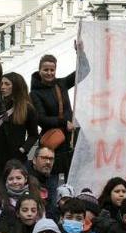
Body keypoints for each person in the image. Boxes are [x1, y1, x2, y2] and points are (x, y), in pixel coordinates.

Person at [30, 44, 86, 178]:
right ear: (39, 71)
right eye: (45, 70)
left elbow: (83, 71)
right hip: (53, 142)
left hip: (71, 138)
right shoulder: (34, 93)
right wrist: (63, 122)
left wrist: (80, 53)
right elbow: (40, 119)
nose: (49, 73)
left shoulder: (61, 84)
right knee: (52, 179)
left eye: (52, 70)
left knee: (74, 176)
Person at [0, 72, 39, 186]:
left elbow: (33, 135)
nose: (3, 87)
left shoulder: (27, 108)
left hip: (15, 157)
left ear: (16, 86)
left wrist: (23, 149)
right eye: (2, 84)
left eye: (7, 84)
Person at [27, 147, 59, 216]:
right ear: (34, 160)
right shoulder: (23, 177)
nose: (48, 162)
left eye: (51, 159)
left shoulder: (52, 177)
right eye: (44, 158)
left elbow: (52, 208)